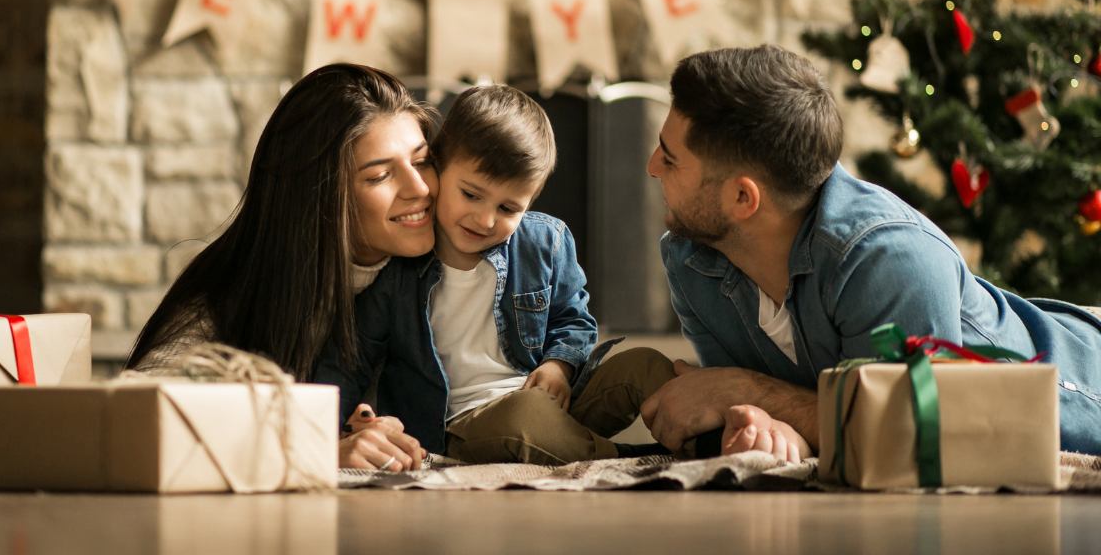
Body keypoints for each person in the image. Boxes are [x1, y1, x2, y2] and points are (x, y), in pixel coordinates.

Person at [639, 45, 1101, 459]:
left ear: (743, 197)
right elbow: (738, 413)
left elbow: (911, 437)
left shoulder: (890, 258)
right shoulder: (692, 261)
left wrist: (745, 390)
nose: (651, 167)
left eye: (670, 157)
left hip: (1080, 389)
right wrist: (766, 423)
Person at [316, 85, 677, 465]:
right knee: (526, 417)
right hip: (461, 426)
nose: (486, 220)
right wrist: (327, 434)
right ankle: (630, 460)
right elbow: (350, 360)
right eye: (471, 195)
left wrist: (558, 366)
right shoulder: (399, 269)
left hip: (552, 401)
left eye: (508, 208)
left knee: (645, 364)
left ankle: (703, 445)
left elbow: (574, 319)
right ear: (438, 167)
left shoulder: (545, 242)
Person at [126, 63, 431, 472]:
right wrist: (313, 451)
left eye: (423, 160)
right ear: (318, 196)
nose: (420, 188)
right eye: (379, 176)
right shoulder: (236, 295)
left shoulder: (464, 259)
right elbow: (140, 425)